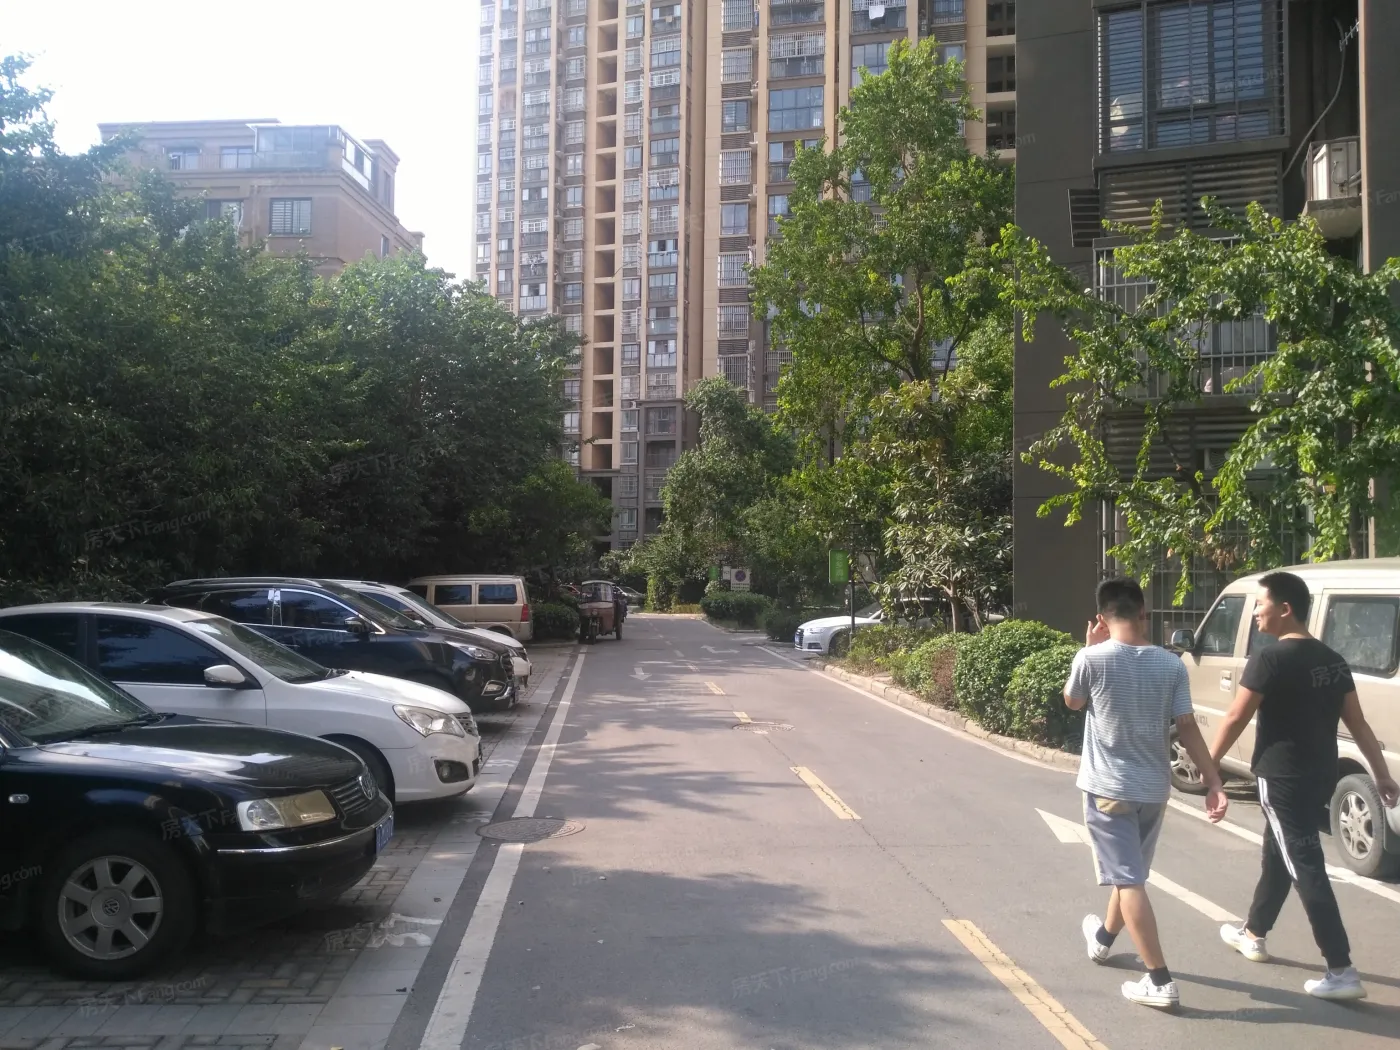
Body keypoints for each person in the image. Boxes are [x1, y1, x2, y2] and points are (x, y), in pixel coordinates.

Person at [1208, 571, 1399, 1001]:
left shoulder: (1270, 659)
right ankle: (1254, 933)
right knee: (1280, 853)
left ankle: (1341, 968)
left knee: (1305, 866)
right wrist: (1382, 774)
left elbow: (1236, 716)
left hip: (1282, 780)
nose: (1255, 613)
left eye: (1260, 604)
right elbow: (1359, 725)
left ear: (1285, 608)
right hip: (1319, 778)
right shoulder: (1333, 660)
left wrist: (1210, 766)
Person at [1064, 577, 1228, 1010]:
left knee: (1128, 879)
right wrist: (1212, 781)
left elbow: (1073, 702)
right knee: (1129, 874)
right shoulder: (1171, 665)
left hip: (1107, 789)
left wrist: (1088, 646)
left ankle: (1159, 980)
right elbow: (1187, 727)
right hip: (1154, 790)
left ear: (1101, 618)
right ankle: (1103, 939)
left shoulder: (1090, 658)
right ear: (1144, 613)